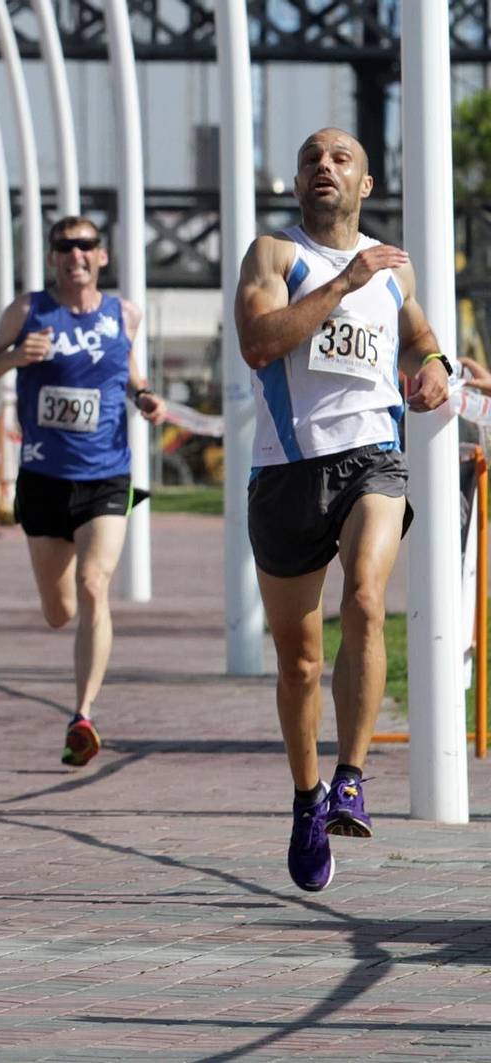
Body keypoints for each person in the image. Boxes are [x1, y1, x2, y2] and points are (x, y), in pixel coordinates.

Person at [235, 127, 452, 893]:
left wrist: (433, 366)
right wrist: (340, 285)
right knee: (298, 660)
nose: (323, 167)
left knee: (365, 595)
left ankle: (353, 776)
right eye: (310, 160)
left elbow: (419, 334)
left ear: (364, 184)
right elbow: (260, 343)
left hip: (373, 459)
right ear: (298, 184)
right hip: (288, 472)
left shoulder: (394, 267)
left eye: (340, 159)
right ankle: (306, 799)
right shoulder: (274, 256)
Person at [0, 216, 166, 767]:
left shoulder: (123, 313)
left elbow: (128, 368)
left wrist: (146, 396)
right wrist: (13, 358)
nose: (75, 254)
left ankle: (83, 714)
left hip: (106, 475)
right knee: (59, 611)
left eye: (85, 246)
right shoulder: (28, 311)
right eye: (65, 246)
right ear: (54, 257)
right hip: (44, 477)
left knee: (94, 584)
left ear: (101, 256)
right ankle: (79, 681)